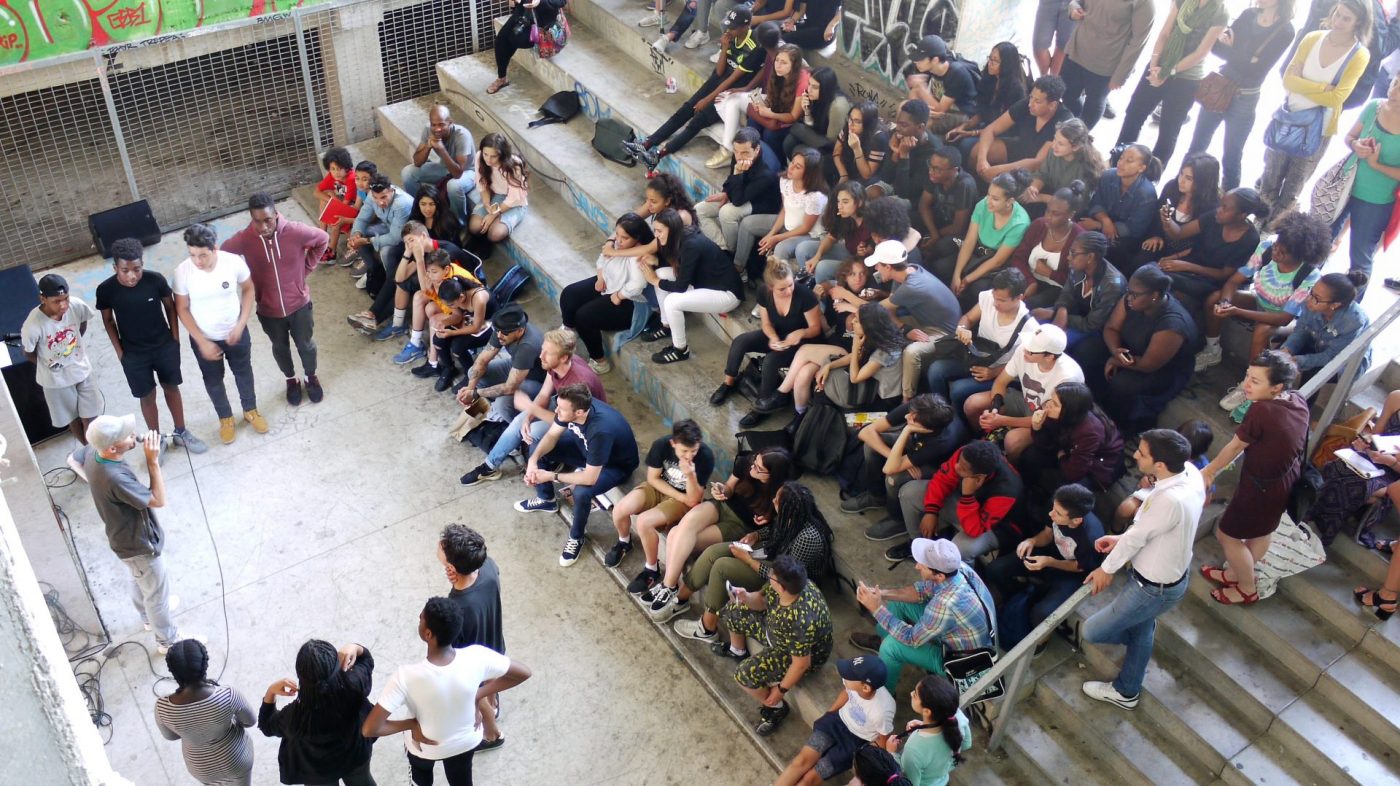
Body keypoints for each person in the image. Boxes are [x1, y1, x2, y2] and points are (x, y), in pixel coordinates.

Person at [1081, 428, 1206, 710]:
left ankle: (1129, 679)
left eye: (1142, 453)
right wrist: (1120, 539)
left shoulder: (1169, 499)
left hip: (1151, 588)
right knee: (1142, 628)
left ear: (1159, 465)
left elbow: (1139, 536)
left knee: (1092, 631)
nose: (1135, 455)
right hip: (1165, 579)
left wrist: (1106, 569)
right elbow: (1152, 530)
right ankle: (1127, 690)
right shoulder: (1189, 473)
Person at [363, 598, 531, 786]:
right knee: (461, 780)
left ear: (428, 634)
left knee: (420, 776)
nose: (419, 618)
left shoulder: (405, 676)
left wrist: (411, 724)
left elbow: (370, 729)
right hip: (465, 742)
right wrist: (478, 694)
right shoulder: (477, 656)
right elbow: (523, 673)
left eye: (421, 618)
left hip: (425, 746)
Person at [84, 414, 202, 654]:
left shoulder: (91, 453)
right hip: (138, 543)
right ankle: (167, 641)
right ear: (113, 448)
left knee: (138, 577)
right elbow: (158, 500)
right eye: (127, 436)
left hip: (122, 540)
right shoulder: (114, 478)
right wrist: (152, 461)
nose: (134, 436)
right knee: (157, 595)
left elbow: (72, 459)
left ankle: (147, 617)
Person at [1199, 351, 1310, 605]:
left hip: (1260, 487)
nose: (1246, 385)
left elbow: (1235, 447)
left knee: (1227, 535)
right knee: (1262, 531)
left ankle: (1247, 588)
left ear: (1276, 387)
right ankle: (1235, 573)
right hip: (1284, 480)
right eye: (1247, 376)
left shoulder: (1262, 411)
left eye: (1255, 381)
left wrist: (1208, 471)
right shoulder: (1297, 399)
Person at [672, 481, 834, 643]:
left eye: (777, 501)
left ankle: (707, 628)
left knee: (721, 567)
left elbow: (784, 578)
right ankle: (680, 599)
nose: (773, 501)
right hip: (773, 554)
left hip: (782, 581)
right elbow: (775, 529)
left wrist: (748, 560)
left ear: (789, 509)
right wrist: (756, 535)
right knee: (714, 552)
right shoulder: (791, 517)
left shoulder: (808, 538)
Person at [635, 447, 796, 605]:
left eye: (758, 468)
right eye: (755, 461)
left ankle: (668, 585)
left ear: (772, 476)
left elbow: (778, 527)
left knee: (674, 534)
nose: (753, 466)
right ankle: (669, 586)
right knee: (686, 525)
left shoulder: (781, 493)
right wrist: (722, 490)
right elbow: (729, 488)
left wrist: (766, 519)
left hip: (739, 525)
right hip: (721, 506)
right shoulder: (746, 461)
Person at [1257, 0, 1373, 219]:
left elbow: (1337, 97)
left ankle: (1272, 229)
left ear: (1358, 22)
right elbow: (1288, 81)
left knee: (1294, 186)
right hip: (1289, 115)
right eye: (1337, 14)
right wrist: (1322, 88)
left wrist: (1303, 83)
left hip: (1319, 127)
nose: (1338, 21)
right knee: (1269, 177)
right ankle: (1258, 221)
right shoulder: (1313, 38)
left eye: (1346, 18)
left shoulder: (1359, 54)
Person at [97, 240, 207, 454]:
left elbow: (170, 307)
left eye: (137, 269)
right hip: (133, 355)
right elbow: (108, 321)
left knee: (171, 387)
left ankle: (181, 433)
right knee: (146, 396)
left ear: (142, 264)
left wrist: (175, 339)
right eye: (125, 270)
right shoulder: (106, 290)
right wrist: (121, 353)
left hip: (164, 347)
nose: (132, 276)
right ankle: (156, 440)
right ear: (115, 268)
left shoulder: (155, 280)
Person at [458, 327, 605, 487]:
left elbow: (565, 422)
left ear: (563, 357)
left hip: (584, 426)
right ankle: (489, 466)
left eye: (547, 353)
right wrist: (528, 417)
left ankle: (547, 466)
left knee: (533, 431)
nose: (541, 356)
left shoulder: (577, 383)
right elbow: (544, 394)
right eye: (542, 350)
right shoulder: (557, 365)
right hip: (563, 407)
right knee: (520, 422)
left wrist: (530, 407)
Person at [623, 7, 767, 167]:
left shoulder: (754, 47)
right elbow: (719, 72)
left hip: (731, 90)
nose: (729, 30)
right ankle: (647, 143)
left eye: (733, 27)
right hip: (717, 80)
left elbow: (732, 79)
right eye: (729, 26)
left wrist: (707, 100)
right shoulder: (730, 37)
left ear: (746, 26)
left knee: (697, 121)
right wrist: (725, 48)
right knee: (686, 109)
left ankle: (658, 155)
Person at [222, 192, 328, 406]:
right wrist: (245, 280)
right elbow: (222, 254)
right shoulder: (245, 238)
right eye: (257, 221)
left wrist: (305, 269)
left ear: (276, 215)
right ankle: (291, 379)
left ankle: (310, 377)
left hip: (299, 305)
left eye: (268, 220)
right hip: (268, 311)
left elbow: (322, 239)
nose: (263, 226)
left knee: (306, 345)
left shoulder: (295, 231)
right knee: (280, 348)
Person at [516, 384, 640, 566]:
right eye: (557, 406)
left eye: (561, 409)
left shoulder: (600, 430)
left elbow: (589, 478)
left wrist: (551, 476)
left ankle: (577, 537)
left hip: (614, 466)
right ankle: (546, 500)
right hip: (587, 451)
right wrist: (533, 462)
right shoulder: (573, 406)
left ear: (579, 412)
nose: (556, 411)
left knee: (582, 491)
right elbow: (551, 436)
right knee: (537, 447)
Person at [850, 538, 996, 691]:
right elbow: (921, 591)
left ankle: (884, 696)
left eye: (923, 565)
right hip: (958, 634)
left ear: (939, 576)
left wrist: (877, 609)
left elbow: (911, 638)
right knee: (897, 604)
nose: (917, 566)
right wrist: (881, 594)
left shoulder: (945, 604)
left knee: (891, 647)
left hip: (960, 662)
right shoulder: (956, 568)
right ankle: (882, 648)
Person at [1073, 264, 1202, 436]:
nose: (1129, 297)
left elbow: (1149, 364)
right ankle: (1091, 401)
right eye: (1128, 291)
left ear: (1154, 295)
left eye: (1135, 294)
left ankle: (1118, 426)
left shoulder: (1172, 325)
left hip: (1161, 369)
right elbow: (1111, 328)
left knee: (1123, 384)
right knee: (1086, 350)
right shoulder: (1130, 301)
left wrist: (1116, 360)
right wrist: (1115, 351)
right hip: (1129, 349)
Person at [714, 555, 833, 736]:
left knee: (743, 675)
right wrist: (745, 597)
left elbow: (801, 663)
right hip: (776, 632)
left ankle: (776, 708)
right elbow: (762, 601)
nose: (769, 575)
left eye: (772, 575)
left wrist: (780, 690)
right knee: (733, 609)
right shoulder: (794, 585)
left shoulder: (800, 621)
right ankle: (737, 650)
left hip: (795, 653)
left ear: (781, 587)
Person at [1185, 0, 1297, 190]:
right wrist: (1247, 57)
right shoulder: (1248, 14)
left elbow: (1257, 71)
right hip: (1220, 86)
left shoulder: (1286, 30)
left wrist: (1233, 50)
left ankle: (1230, 200)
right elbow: (1216, 48)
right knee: (1197, 146)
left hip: (1245, 97)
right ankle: (1180, 191)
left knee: (1232, 155)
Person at [173, 223, 267, 445]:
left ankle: (250, 410)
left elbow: (248, 289)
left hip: (236, 332)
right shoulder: (182, 272)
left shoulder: (233, 262)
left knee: (243, 372)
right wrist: (202, 341)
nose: (197, 261)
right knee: (213, 380)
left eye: (203, 255)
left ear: (214, 248)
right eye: (192, 255)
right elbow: (182, 309)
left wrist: (240, 325)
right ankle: (225, 418)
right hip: (204, 338)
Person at [1198, 209, 1327, 370]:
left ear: (1300, 256)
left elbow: (1284, 319)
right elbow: (1233, 281)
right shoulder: (1266, 249)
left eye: (1283, 252)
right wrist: (1225, 303)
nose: (1276, 252)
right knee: (1215, 299)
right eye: (1276, 246)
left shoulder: (1308, 275)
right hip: (1260, 303)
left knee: (1262, 330)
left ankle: (1252, 377)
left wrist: (1236, 311)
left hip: (1289, 320)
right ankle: (1212, 349)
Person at [989, 483, 1105, 648]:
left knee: (1041, 613)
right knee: (995, 570)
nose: (1051, 514)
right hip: (1049, 555)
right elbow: (1047, 534)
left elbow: (1080, 567)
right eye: (1053, 508)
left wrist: (1050, 562)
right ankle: (1017, 600)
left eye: (1058, 513)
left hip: (1071, 574)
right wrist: (1032, 541)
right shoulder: (1057, 505)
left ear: (1076, 520)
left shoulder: (1091, 537)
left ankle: (1041, 642)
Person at [1115, 0, 1229, 166]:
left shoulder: (1220, 13)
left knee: (1168, 132)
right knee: (1134, 114)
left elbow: (1201, 53)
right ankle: (1118, 163)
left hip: (1186, 79)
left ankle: (1152, 176)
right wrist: (1154, 65)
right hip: (1158, 65)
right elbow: (1165, 33)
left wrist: (1167, 71)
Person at [258, 640, 378, 786]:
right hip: (356, 755)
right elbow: (367, 661)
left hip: (318, 771)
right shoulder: (355, 684)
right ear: (338, 666)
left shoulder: (293, 717)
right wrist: (356, 647)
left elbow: (266, 725)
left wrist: (271, 692)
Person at [853, 394, 967, 543]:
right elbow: (865, 432)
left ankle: (898, 519)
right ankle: (876, 496)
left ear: (927, 428)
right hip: (916, 446)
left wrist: (906, 430)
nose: (907, 415)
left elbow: (889, 470)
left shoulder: (941, 440)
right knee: (872, 445)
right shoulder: (921, 407)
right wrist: (895, 457)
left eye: (913, 419)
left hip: (936, 466)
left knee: (894, 478)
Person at [923, 268, 1037, 416]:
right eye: (995, 297)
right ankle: (939, 412)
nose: (995, 303)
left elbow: (1025, 363)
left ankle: (956, 420)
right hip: (976, 357)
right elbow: (968, 318)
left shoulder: (1029, 327)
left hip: (1000, 371)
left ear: (1019, 298)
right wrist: (962, 328)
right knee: (936, 370)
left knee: (958, 390)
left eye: (1002, 300)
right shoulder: (989, 298)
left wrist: (993, 372)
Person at [719, 259, 822, 424]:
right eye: (782, 289)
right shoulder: (763, 293)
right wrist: (773, 337)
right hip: (778, 334)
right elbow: (766, 324)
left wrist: (800, 333)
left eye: (790, 285)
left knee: (771, 360)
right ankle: (728, 384)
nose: (788, 291)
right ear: (770, 287)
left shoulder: (805, 295)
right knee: (740, 341)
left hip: (802, 342)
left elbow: (816, 329)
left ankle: (762, 405)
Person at [604, 419, 714, 570]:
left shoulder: (705, 457)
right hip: (662, 488)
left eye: (693, 451)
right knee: (620, 510)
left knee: (644, 522)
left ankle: (651, 568)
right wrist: (681, 496)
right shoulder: (661, 445)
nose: (689, 456)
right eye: (684, 451)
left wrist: (690, 475)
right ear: (673, 443)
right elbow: (653, 478)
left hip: (682, 500)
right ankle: (624, 542)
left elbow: (694, 499)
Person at [964, 323, 1084, 459]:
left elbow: (1045, 419)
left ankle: (1009, 464)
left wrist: (1001, 420)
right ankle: (981, 439)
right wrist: (995, 409)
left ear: (1049, 357)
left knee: (1013, 441)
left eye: (1031, 351)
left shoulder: (1067, 378)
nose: (1024, 351)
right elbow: (1001, 382)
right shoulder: (1023, 350)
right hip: (1025, 400)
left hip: (1046, 421)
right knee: (972, 404)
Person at [772, 656, 895, 786]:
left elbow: (882, 739)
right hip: (836, 722)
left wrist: (869, 760)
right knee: (800, 761)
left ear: (865, 688)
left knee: (810, 778)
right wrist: (829, 714)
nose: (845, 676)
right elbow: (846, 693)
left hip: (854, 743)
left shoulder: (882, 712)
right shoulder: (855, 684)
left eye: (850, 675)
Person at [437, 525, 507, 752]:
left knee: (476, 696)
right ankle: (494, 703)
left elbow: (451, 651)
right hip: (493, 642)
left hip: (472, 662)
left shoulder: (456, 607)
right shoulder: (487, 566)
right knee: (491, 679)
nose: (439, 544)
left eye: (442, 546)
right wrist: (457, 580)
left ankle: (492, 734)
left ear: (451, 567)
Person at [643, 210, 745, 364]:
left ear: (672, 229)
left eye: (659, 231)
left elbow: (681, 286)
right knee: (662, 273)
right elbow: (680, 266)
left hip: (726, 294)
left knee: (671, 301)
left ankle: (680, 350)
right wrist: (656, 267)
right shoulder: (679, 237)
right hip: (704, 283)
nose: (656, 235)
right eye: (655, 230)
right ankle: (667, 325)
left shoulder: (691, 244)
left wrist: (654, 280)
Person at [559, 213, 654, 374]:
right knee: (570, 294)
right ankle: (569, 332)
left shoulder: (639, 256)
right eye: (617, 234)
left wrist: (619, 295)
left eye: (624, 238)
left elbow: (637, 285)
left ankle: (599, 361)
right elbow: (602, 259)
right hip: (609, 284)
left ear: (637, 238)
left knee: (584, 316)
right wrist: (600, 277)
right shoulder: (617, 243)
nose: (618, 240)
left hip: (629, 301)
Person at [156, 639, 255, 786]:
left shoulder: (162, 707)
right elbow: (250, 721)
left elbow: (170, 736)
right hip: (236, 759)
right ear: (205, 665)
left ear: (173, 671)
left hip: (201, 768)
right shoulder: (228, 695)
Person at [1331, 74, 1400, 282]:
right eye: (1395, 83)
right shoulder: (1375, 106)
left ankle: (1350, 300)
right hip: (1345, 185)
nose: (1394, 91)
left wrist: (1376, 164)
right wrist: (1355, 145)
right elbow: (1349, 137)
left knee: (1360, 260)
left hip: (1376, 200)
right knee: (1320, 242)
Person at [1311, 388, 1399, 545]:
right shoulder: (1396, 397)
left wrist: (1390, 462)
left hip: (1394, 476)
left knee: (1356, 484)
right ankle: (1310, 518)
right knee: (1337, 467)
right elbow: (1376, 435)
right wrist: (1366, 442)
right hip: (1374, 458)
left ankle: (1323, 532)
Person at [22, 274, 99, 452]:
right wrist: (49, 365)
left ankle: (96, 454)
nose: (64, 305)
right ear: (43, 299)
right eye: (57, 301)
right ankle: (89, 454)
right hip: (56, 381)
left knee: (90, 417)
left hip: (81, 370)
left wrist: (72, 350)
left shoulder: (76, 305)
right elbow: (28, 353)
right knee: (73, 418)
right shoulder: (33, 325)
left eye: (66, 298)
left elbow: (82, 322)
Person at [940, 171, 1034, 310]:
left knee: (976, 289)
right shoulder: (983, 204)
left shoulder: (1020, 223)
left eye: (995, 198)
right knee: (943, 264)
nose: (988, 201)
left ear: (1010, 201)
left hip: (994, 260)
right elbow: (970, 241)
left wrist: (966, 279)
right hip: (977, 249)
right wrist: (957, 274)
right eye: (988, 195)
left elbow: (998, 261)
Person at [1157, 187, 1263, 308]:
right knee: (1153, 271)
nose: (1219, 210)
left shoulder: (1249, 239)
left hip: (1212, 280)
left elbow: (1224, 274)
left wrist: (1186, 266)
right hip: (1192, 266)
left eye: (1224, 208)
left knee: (1161, 279)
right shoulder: (1214, 217)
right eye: (1220, 205)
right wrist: (1167, 221)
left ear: (1242, 215)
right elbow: (1179, 233)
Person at [1017, 381, 1126, 499]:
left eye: (1055, 404)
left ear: (1069, 410)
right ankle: (1027, 489)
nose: (1048, 405)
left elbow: (1074, 472)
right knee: (1030, 456)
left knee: (1066, 492)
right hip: (1070, 448)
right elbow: (1044, 444)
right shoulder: (1062, 414)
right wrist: (1037, 427)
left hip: (1097, 464)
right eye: (1051, 399)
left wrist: (1062, 457)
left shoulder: (1089, 432)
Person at [735, 147, 829, 282]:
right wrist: (771, 233)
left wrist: (777, 238)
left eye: (798, 167)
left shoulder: (815, 197)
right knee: (747, 224)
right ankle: (739, 268)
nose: (791, 168)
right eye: (792, 162)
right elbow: (785, 210)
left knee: (780, 249)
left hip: (808, 234)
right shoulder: (786, 181)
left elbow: (806, 228)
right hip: (788, 223)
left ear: (809, 173)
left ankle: (777, 286)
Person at [1059, 0, 1157, 129]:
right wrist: (1074, 9)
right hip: (1076, 51)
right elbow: (1076, 2)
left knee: (1093, 103)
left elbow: (1137, 43)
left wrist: (1121, 75)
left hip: (1106, 64)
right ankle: (1072, 130)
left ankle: (1079, 135)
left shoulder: (1145, 3)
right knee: (1066, 94)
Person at [711, 43, 810, 168]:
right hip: (778, 110)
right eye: (777, 60)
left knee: (770, 134)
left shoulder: (802, 81)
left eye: (784, 62)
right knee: (752, 122)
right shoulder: (778, 72)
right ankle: (750, 157)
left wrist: (770, 114)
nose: (778, 65)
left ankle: (774, 166)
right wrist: (763, 105)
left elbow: (793, 116)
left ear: (794, 65)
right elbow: (771, 96)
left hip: (793, 120)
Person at [454, 304, 548, 427]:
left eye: (504, 333)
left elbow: (509, 388)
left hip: (537, 380)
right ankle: (491, 407)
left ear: (520, 331)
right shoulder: (503, 329)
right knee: (473, 372)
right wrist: (470, 389)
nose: (499, 335)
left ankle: (518, 427)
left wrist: (476, 393)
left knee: (502, 404)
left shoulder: (527, 346)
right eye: (497, 330)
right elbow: (482, 360)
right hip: (516, 366)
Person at [1127, 153, 1222, 274]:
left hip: (1188, 256)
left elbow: (1201, 244)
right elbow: (1156, 216)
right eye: (1181, 174)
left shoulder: (1212, 207)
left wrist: (1175, 257)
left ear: (1203, 182)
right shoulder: (1171, 188)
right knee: (1140, 261)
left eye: (1189, 178)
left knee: (1162, 275)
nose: (1181, 181)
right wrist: (1156, 235)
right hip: (1162, 242)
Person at [1114, 418, 1214, 531]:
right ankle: (1114, 531)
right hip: (1154, 490)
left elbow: (1204, 500)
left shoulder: (1202, 470)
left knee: (1141, 518)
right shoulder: (1166, 449)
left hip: (1173, 504)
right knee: (1125, 508)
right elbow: (1150, 471)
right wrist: (1148, 478)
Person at [969, 75, 1073, 183]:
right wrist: (982, 160)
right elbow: (990, 130)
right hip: (1021, 147)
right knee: (977, 152)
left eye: (1037, 101)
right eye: (1031, 97)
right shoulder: (1027, 104)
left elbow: (1037, 162)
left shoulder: (1063, 121)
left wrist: (999, 169)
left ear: (1052, 105)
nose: (1030, 104)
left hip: (1043, 168)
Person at [696, 128, 781, 254]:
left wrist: (738, 173)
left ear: (757, 149)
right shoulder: (740, 151)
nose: (739, 157)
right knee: (699, 210)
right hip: (743, 190)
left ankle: (732, 249)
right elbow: (731, 178)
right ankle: (724, 247)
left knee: (727, 212)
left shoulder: (767, 172)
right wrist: (726, 192)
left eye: (745, 153)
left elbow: (737, 201)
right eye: (736, 151)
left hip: (762, 204)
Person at [1279, 271, 1372, 385]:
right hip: (1316, 342)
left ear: (1335, 305)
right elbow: (1301, 330)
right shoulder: (1311, 303)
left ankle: (1301, 397)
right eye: (1311, 292)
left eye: (1316, 298)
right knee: (1280, 358)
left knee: (1314, 374)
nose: (1308, 299)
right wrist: (1287, 349)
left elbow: (1333, 356)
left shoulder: (1353, 322)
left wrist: (1298, 360)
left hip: (1342, 359)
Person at [1005, 182, 1087, 309]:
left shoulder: (1080, 238)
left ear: (1071, 215)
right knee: (1000, 294)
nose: (1048, 216)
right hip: (1026, 278)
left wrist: (1050, 273)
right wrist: (1030, 281)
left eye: (1056, 214)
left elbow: (1078, 281)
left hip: (1056, 289)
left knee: (1026, 306)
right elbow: (1018, 258)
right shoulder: (1039, 225)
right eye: (1048, 210)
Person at [1080, 144, 1164, 267]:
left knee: (1112, 249)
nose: (1121, 163)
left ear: (1141, 168)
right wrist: (1105, 220)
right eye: (1121, 158)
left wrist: (1099, 225)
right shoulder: (1108, 176)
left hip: (1125, 235)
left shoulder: (1147, 194)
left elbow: (1135, 229)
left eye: (1129, 161)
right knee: (1078, 218)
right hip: (1103, 220)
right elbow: (1096, 202)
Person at [1043, 230, 1127, 349]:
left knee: (1050, 345)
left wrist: (1054, 315)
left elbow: (1092, 324)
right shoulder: (1077, 266)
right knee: (1035, 325)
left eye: (1073, 253)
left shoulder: (1113, 285)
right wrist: (1062, 309)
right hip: (1074, 314)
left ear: (1090, 257)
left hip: (1095, 328)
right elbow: (1067, 293)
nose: (1068, 257)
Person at [949, 42, 1033, 158]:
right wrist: (963, 127)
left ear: (1007, 64)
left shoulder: (1015, 89)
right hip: (987, 126)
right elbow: (982, 112)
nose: (990, 63)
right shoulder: (990, 79)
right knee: (954, 137)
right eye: (990, 58)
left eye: (995, 61)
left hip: (1004, 133)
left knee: (965, 145)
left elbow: (1004, 126)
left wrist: (971, 133)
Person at [883, 675, 970, 786]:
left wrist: (891, 754)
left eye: (915, 695)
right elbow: (967, 744)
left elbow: (910, 783)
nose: (911, 693)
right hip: (942, 780)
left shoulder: (914, 749)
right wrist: (923, 725)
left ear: (927, 711)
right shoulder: (957, 715)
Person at [416, 275, 496, 392]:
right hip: (469, 322)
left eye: (450, 305)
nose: (449, 307)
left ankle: (470, 374)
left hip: (489, 326)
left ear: (461, 297)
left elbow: (476, 327)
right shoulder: (455, 295)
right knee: (438, 340)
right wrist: (443, 323)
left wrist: (452, 333)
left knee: (458, 346)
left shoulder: (478, 298)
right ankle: (449, 368)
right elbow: (457, 316)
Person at [401, 103, 475, 217]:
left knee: (453, 186)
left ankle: (459, 221)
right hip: (445, 167)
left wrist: (441, 150)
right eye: (433, 125)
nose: (437, 129)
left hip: (468, 172)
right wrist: (428, 146)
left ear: (450, 122)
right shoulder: (428, 130)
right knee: (407, 172)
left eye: (441, 124)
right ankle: (419, 211)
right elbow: (417, 162)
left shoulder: (462, 135)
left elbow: (458, 173)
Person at [1022, 118, 1106, 218]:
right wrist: (1034, 188)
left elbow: (1075, 204)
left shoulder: (1086, 169)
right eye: (1054, 139)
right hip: (1051, 195)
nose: (1054, 146)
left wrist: (1041, 197)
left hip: (1069, 210)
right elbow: (1043, 174)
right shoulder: (1055, 152)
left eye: (1060, 144)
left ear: (1075, 147)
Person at [348, 176, 414, 295]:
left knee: (386, 252)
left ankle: (392, 284)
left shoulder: (401, 204)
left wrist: (367, 240)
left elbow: (395, 238)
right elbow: (362, 219)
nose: (380, 202)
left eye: (384, 197)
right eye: (376, 198)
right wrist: (356, 235)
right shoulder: (371, 195)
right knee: (362, 232)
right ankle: (374, 271)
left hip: (407, 237)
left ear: (391, 190)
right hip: (388, 227)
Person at [489, 0, 569, 94]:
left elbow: (562, 1)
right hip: (523, 14)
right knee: (501, 40)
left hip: (544, 20)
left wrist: (540, 2)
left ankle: (502, 77)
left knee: (515, 39)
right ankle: (502, 78)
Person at [907, 35, 979, 137]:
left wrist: (920, 89)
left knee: (922, 124)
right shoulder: (933, 67)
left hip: (962, 113)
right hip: (942, 105)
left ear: (935, 60)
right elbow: (914, 93)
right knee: (905, 109)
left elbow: (940, 110)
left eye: (921, 59)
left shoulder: (957, 73)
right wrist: (919, 108)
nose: (916, 62)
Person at [916, 148, 979, 263]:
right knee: (911, 219)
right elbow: (923, 206)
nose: (931, 171)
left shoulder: (964, 185)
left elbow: (958, 227)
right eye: (930, 166)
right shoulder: (933, 176)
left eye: (937, 169)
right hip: (941, 219)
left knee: (940, 246)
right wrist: (933, 233)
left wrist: (935, 236)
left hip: (961, 231)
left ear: (954, 170)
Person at [799, 180, 871, 282]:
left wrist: (866, 251)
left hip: (863, 264)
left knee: (822, 267)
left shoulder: (870, 221)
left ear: (859, 202)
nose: (840, 206)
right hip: (850, 252)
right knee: (803, 248)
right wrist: (817, 256)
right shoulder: (845, 216)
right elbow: (831, 237)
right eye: (838, 201)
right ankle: (808, 280)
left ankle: (819, 287)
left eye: (845, 202)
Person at [468, 133, 529, 244]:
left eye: (493, 156)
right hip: (495, 194)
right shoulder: (480, 156)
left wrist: (493, 214)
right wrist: (486, 203)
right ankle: (480, 244)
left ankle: (488, 243)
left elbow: (513, 198)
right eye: (486, 154)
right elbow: (482, 183)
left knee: (494, 234)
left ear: (502, 155)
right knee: (474, 226)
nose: (488, 159)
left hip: (515, 202)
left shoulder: (514, 165)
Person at [878, 100, 939, 202]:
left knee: (886, 204)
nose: (898, 128)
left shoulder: (932, 153)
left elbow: (904, 193)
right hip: (895, 185)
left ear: (920, 127)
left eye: (904, 125)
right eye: (897, 123)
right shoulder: (898, 134)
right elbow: (885, 178)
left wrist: (904, 155)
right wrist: (895, 153)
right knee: (871, 193)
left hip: (913, 198)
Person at [783, 67, 844, 160]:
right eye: (809, 84)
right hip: (818, 136)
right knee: (790, 141)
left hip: (830, 147)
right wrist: (807, 112)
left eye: (815, 87)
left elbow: (831, 143)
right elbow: (813, 126)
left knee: (795, 129)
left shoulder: (837, 106)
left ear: (825, 88)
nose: (809, 90)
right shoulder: (818, 96)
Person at [826, 101, 891, 185]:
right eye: (850, 118)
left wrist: (857, 149)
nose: (851, 124)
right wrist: (843, 175)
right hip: (847, 167)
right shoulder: (849, 126)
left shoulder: (878, 138)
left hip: (865, 179)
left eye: (857, 121)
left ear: (868, 124)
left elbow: (867, 174)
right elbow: (836, 153)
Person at [315, 147, 360, 263]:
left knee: (336, 221)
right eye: (333, 169)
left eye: (339, 169)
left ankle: (332, 252)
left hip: (354, 209)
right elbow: (316, 192)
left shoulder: (351, 178)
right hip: (344, 205)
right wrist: (332, 198)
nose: (336, 172)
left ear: (347, 167)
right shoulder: (332, 176)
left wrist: (333, 200)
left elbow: (345, 205)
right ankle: (322, 236)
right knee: (324, 199)